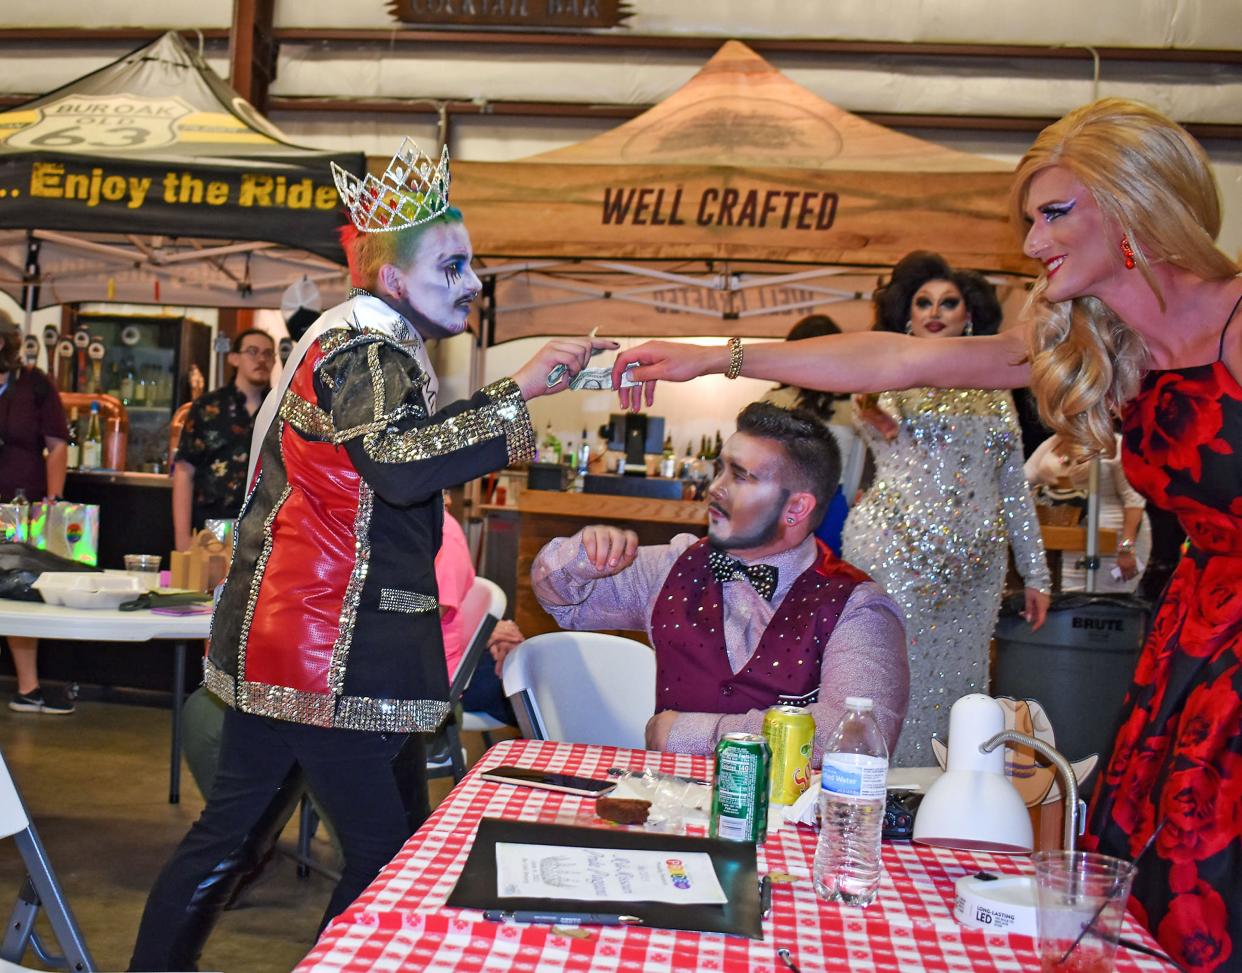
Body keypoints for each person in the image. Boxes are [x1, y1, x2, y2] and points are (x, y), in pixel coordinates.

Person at [612, 98, 1242, 969]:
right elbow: (890, 360)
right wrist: (716, 354)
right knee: (1169, 883)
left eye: (1054, 213)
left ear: (1133, 202)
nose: (1031, 243)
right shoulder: (1102, 344)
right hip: (1193, 635)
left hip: (1226, 642)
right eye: (1029, 219)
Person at [129, 137, 612, 971]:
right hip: (326, 646)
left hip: (296, 635)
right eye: (451, 267)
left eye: (471, 265)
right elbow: (401, 463)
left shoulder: (366, 340)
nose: (470, 283)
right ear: (393, 280)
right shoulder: (366, 346)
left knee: (234, 835)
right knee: (390, 860)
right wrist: (520, 388)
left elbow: (389, 460)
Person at [520, 401, 909, 762]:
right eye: (720, 469)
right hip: (668, 814)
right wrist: (580, 557)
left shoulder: (857, 607)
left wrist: (694, 735)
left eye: (740, 476)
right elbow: (566, 605)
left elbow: (857, 740)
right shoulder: (676, 564)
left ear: (795, 508)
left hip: (786, 825)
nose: (715, 488)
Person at [839, 252, 1051, 765]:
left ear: (969, 317)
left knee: (961, 687)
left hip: (974, 570)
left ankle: (938, 804)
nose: (935, 311)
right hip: (895, 553)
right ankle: (866, 791)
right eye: (923, 302)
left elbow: (1012, 485)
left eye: (948, 303)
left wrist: (1037, 573)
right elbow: (869, 409)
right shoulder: (886, 379)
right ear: (907, 317)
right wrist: (874, 407)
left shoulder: (997, 390)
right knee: (884, 672)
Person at [0, 311, 73, 715]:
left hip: (20, 505)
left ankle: (28, 687)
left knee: (17, 590)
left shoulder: (34, 386)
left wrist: (54, 498)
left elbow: (57, 445)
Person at [761, 314, 867, 555]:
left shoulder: (775, 399)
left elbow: (759, 461)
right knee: (828, 580)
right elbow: (857, 465)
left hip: (783, 502)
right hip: (832, 503)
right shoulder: (853, 401)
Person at [171, 328, 274, 551]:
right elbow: (183, 471)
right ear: (234, 358)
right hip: (211, 526)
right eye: (253, 352)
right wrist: (182, 541)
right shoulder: (208, 407)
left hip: (265, 530)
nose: (261, 359)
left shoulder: (281, 409)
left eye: (268, 354)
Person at [1025, 431, 1151, 593]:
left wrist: (1126, 548)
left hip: (1115, 544)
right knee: (1066, 603)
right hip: (1066, 542)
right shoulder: (1053, 443)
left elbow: (1134, 501)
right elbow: (1021, 481)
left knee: (1104, 608)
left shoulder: (1115, 445)